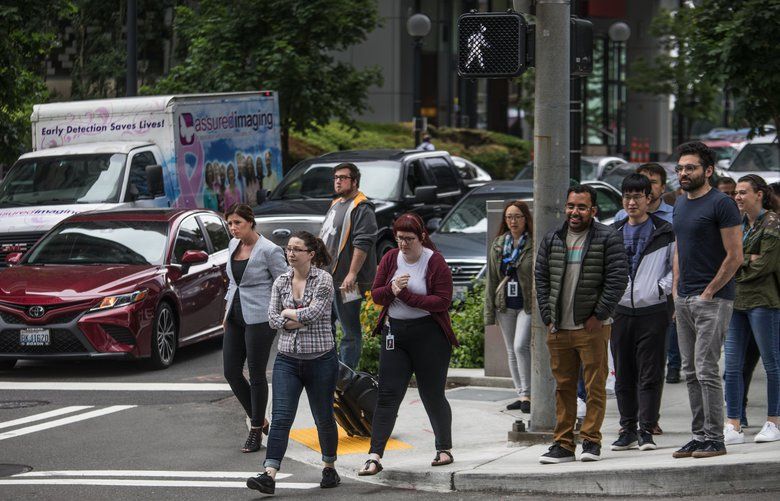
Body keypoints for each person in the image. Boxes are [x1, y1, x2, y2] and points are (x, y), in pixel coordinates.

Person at [535, 184, 628, 464]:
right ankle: (563, 444)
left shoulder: (607, 237)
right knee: (563, 388)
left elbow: (617, 279)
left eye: (582, 207)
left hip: (592, 327)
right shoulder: (553, 238)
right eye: (571, 206)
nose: (575, 212)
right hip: (559, 328)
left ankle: (591, 441)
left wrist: (598, 315)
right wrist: (547, 316)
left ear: (593, 210)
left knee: (594, 387)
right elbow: (541, 277)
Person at [359, 213, 457, 475]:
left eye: (409, 239)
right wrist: (392, 290)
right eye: (399, 238)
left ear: (421, 237)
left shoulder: (434, 261)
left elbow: (442, 301)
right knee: (387, 395)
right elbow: (377, 295)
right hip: (396, 334)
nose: (403, 243)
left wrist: (406, 296)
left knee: (432, 394)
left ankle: (444, 448)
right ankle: (374, 456)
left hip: (430, 336)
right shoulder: (391, 258)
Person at [246, 231, 340, 495]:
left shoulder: (324, 279)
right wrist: (293, 318)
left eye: (297, 249)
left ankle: (329, 467)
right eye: (288, 249)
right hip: (287, 360)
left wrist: (288, 314)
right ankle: (269, 474)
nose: (291, 253)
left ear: (311, 254)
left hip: (321, 359)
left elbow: (315, 313)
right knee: (281, 418)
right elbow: (272, 318)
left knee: (323, 417)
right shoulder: (281, 281)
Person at [671, 141, 743, 459]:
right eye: (680, 168)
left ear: (708, 170)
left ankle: (715, 438)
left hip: (713, 299)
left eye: (691, 167)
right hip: (684, 298)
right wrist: (676, 289)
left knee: (706, 369)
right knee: (690, 370)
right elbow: (679, 248)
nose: (684, 173)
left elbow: (735, 255)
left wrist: (709, 291)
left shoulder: (722, 204)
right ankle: (699, 435)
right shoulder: (679, 203)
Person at [610, 174, 675, 453]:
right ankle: (627, 429)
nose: (632, 202)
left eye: (637, 196)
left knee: (651, 373)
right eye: (627, 196)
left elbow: (676, 267)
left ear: (649, 199)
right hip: (621, 311)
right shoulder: (612, 232)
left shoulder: (665, 230)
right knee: (623, 374)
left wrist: (661, 288)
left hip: (653, 310)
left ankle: (646, 429)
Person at [223, 204, 287, 453]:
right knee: (231, 371)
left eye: (237, 223)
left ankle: (255, 429)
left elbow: (283, 284)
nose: (233, 228)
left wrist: (281, 314)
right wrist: (226, 311)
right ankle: (261, 420)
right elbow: (232, 283)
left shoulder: (269, 250)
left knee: (256, 373)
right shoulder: (233, 245)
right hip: (235, 315)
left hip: (260, 317)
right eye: (230, 223)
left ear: (250, 222)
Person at [723, 174, 780, 445]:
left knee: (772, 364)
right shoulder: (738, 223)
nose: (737, 197)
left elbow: (764, 265)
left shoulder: (773, 223)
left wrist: (737, 263)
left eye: (743, 192)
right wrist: (745, 258)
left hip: (764, 302)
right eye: (736, 192)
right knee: (732, 366)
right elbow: (724, 258)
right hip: (737, 302)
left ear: (759, 194)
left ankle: (774, 421)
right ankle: (733, 424)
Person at [319, 162, 378, 369]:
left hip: (349, 284)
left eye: (343, 178)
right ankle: (329, 369)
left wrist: (352, 273)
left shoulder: (362, 207)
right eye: (336, 177)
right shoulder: (336, 203)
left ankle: (346, 376)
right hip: (329, 279)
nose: (338, 181)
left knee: (349, 330)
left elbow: (363, 242)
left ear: (355, 181)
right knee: (324, 326)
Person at [485, 200, 534, 413]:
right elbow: (491, 279)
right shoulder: (498, 244)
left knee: (520, 345)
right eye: (509, 217)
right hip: (504, 304)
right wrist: (489, 311)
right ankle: (521, 394)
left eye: (517, 216)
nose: (513, 221)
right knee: (511, 350)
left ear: (525, 218)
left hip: (527, 304)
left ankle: (529, 394)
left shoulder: (532, 243)